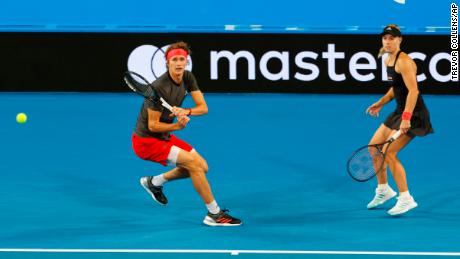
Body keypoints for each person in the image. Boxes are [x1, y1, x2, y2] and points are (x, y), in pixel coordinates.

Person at [131, 41, 242, 226]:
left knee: (202, 167)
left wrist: (185, 111)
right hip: (146, 141)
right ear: (168, 63)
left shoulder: (188, 77)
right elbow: (153, 126)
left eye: (182, 59)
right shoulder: (159, 87)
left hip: (163, 137)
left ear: (186, 61)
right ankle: (214, 214)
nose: (179, 62)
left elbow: (203, 108)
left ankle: (155, 182)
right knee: (194, 166)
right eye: (174, 59)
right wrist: (177, 127)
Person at [365, 25, 433, 216]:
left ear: (399, 40)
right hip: (399, 111)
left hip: (414, 114)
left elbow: (413, 91)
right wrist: (381, 103)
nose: (387, 42)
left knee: (389, 153)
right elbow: (397, 88)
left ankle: (406, 199)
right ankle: (384, 190)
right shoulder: (388, 59)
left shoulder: (405, 61)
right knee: (373, 148)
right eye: (385, 38)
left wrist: (406, 118)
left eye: (391, 38)